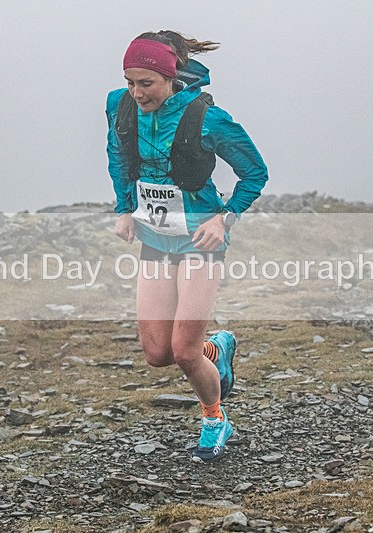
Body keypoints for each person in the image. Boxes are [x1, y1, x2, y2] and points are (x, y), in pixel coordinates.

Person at [106, 30, 268, 463]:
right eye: (130, 82)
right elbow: (118, 156)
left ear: (170, 76)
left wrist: (225, 217)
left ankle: (215, 418)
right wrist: (124, 208)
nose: (136, 93)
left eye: (146, 84)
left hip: (200, 240)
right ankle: (217, 350)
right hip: (156, 240)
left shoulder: (207, 117)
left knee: (183, 352)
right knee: (158, 354)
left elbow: (255, 172)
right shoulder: (119, 106)